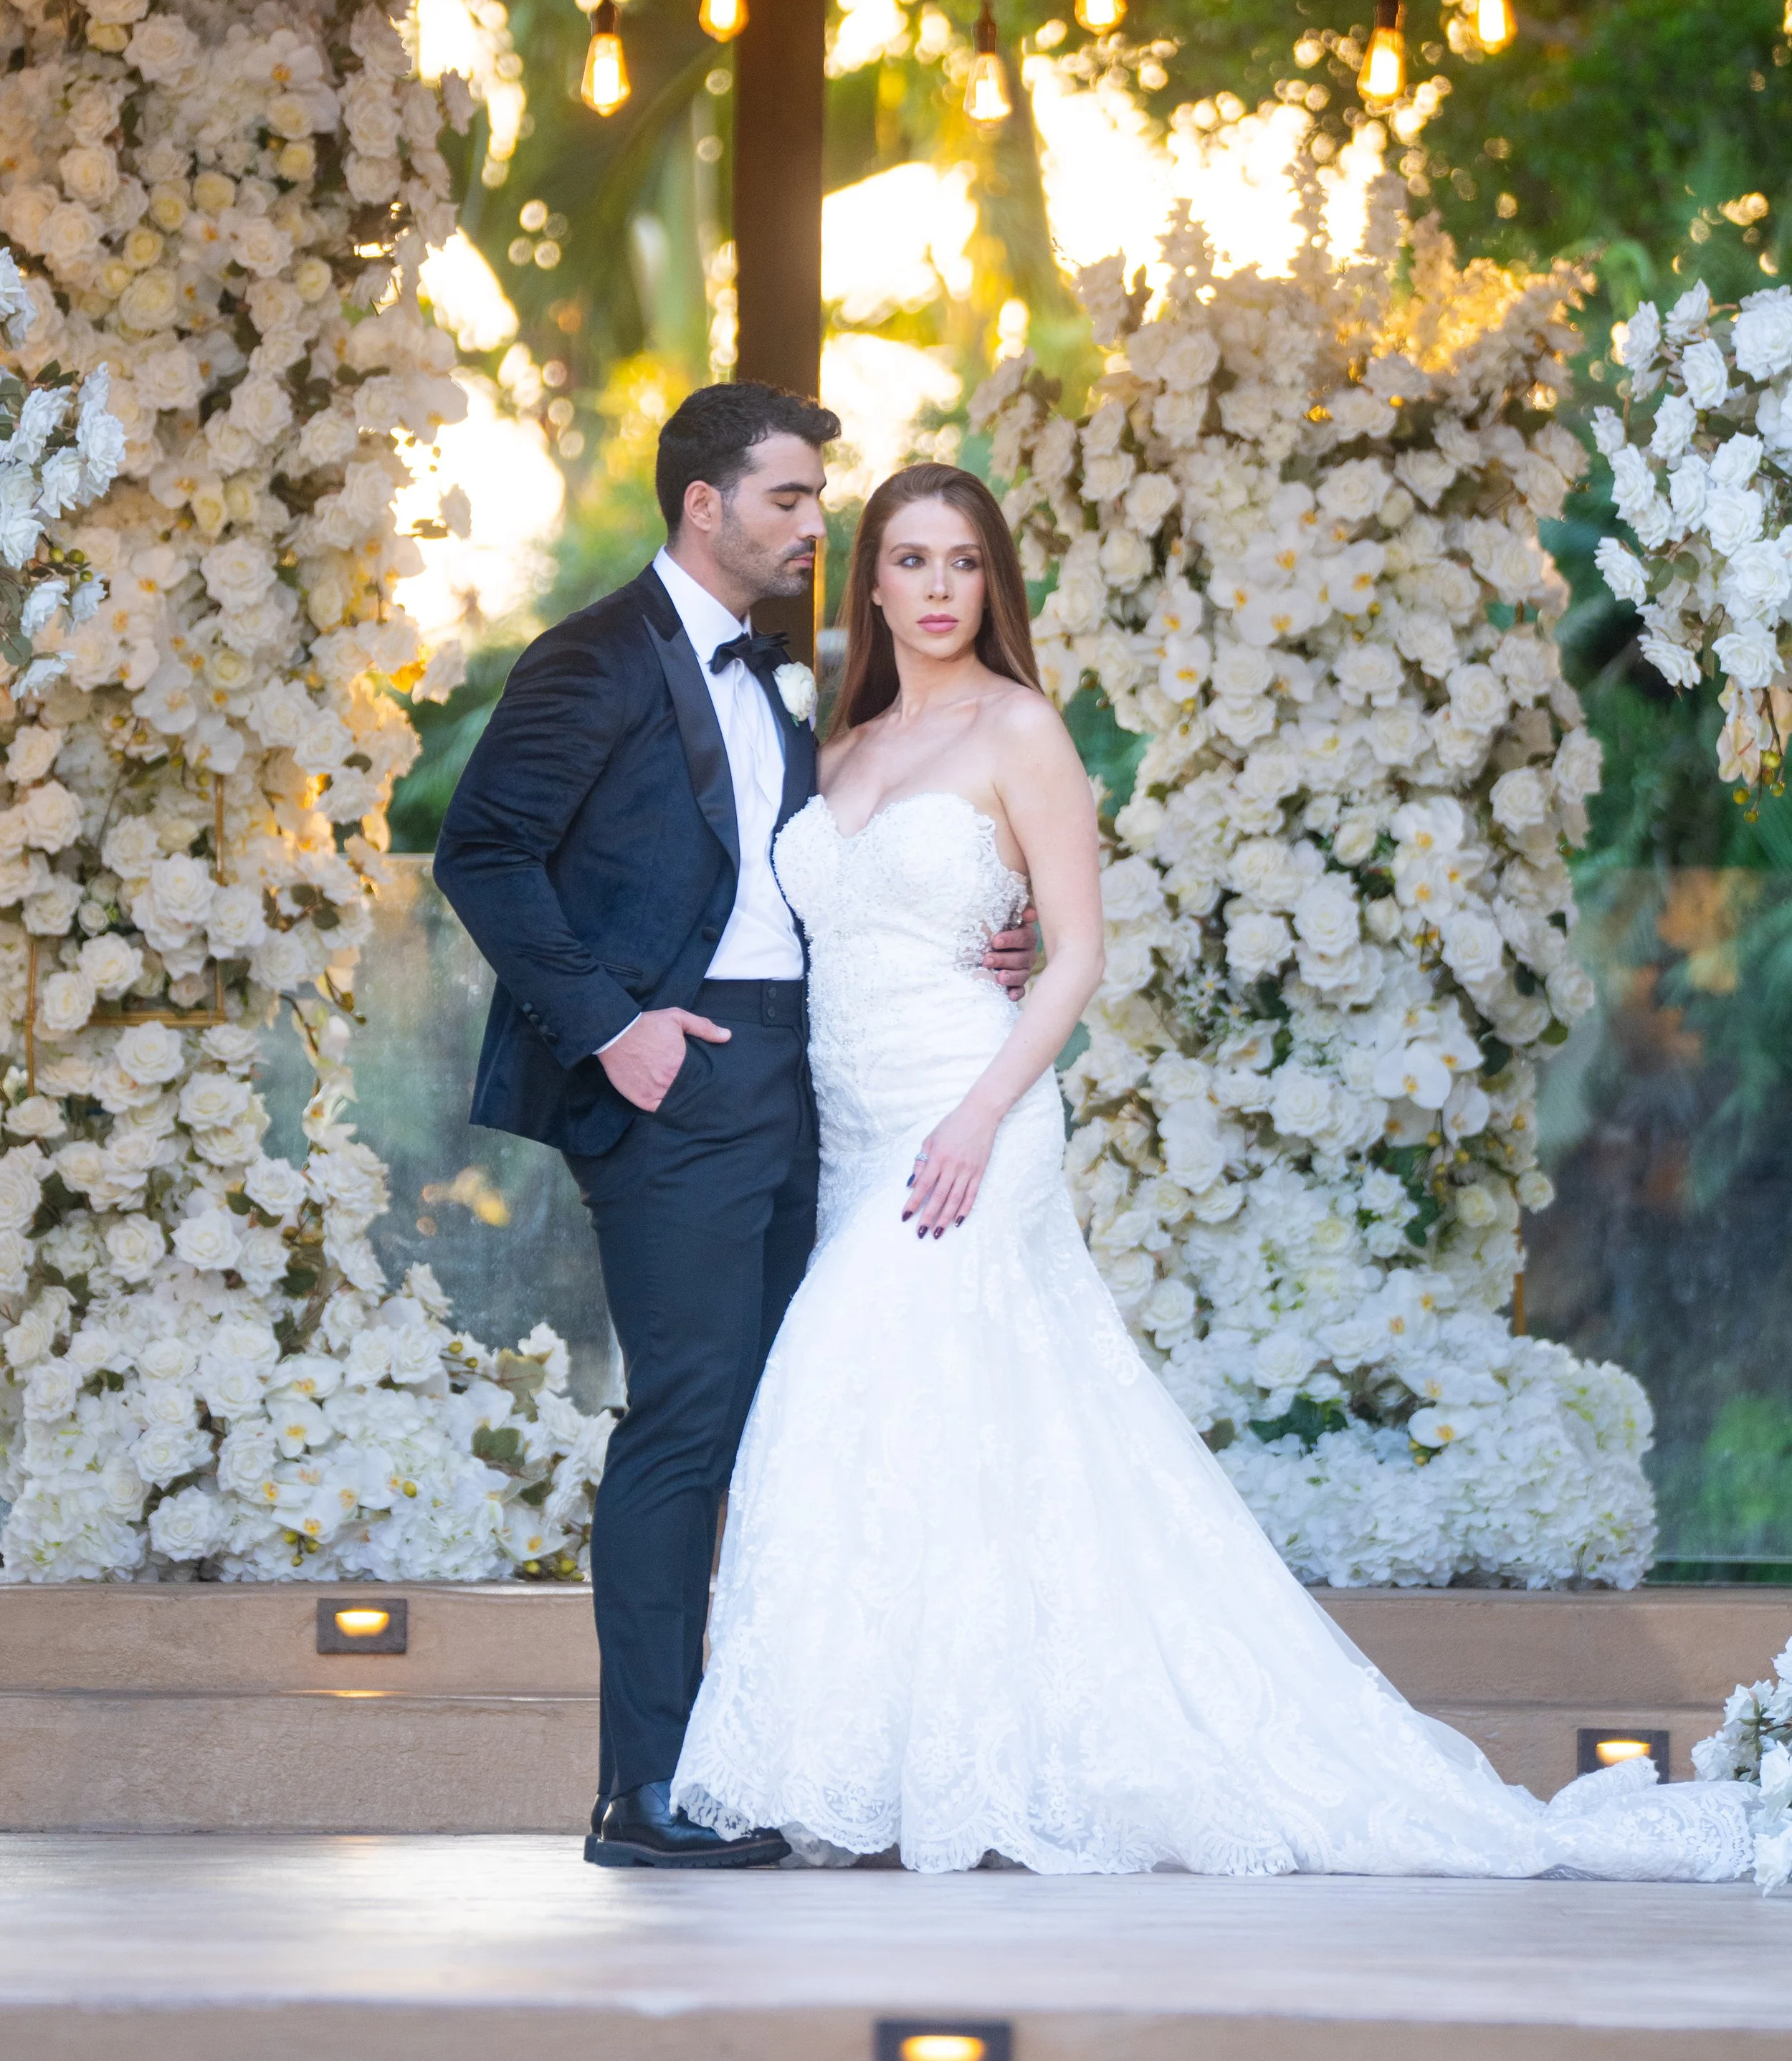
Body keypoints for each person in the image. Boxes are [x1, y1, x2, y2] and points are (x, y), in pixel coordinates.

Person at [670, 460, 1753, 1882]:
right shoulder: (837, 749)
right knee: (943, 1438)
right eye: (911, 562)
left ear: (991, 585)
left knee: (844, 1385)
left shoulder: (1021, 731)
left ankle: (934, 1770)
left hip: (970, 1124)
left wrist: (979, 1113)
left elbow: (1074, 957)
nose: (936, 590)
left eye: (962, 565)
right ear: (869, 583)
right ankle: (904, 1764)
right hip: (847, 1133)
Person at [434, 386, 1038, 1870]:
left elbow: (815, 879)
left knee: (798, 1430)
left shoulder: (784, 683)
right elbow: (484, 851)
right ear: (702, 504)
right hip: (673, 1076)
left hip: (811, 1079)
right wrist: (611, 1025)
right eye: (785, 497)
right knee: (690, 1425)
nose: (809, 524)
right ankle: (640, 1796)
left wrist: (980, 943)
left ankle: (771, 1762)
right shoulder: (586, 658)